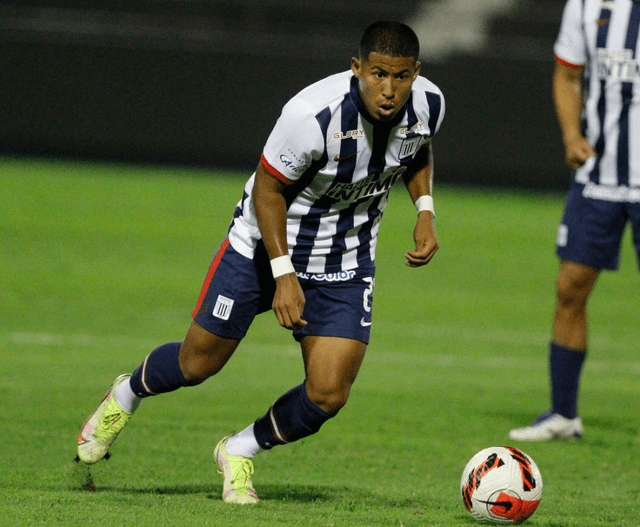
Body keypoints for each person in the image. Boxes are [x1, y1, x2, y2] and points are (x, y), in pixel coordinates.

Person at [77, 20, 445, 502]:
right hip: (262, 249)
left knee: (328, 394)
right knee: (196, 364)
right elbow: (268, 191)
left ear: (415, 73)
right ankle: (126, 393)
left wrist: (424, 210)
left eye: (400, 76)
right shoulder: (311, 115)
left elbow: (414, 151)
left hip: (345, 259)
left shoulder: (429, 105)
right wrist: (283, 274)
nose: (389, 89)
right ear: (356, 68)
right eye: (378, 74)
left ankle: (239, 450)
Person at [509, 0, 640, 442]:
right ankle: (563, 414)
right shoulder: (585, 4)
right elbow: (567, 75)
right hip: (598, 176)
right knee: (569, 287)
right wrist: (571, 135)